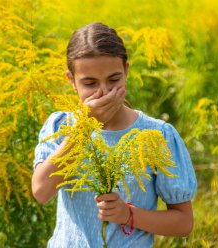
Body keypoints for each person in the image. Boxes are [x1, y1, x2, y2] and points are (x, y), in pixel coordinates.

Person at [32, 22, 197, 248]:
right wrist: (84, 126)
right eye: (90, 83)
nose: (104, 92)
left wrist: (128, 214)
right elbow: (41, 191)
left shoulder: (157, 135)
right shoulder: (62, 127)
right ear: (71, 80)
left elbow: (183, 222)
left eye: (114, 80)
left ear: (126, 71)